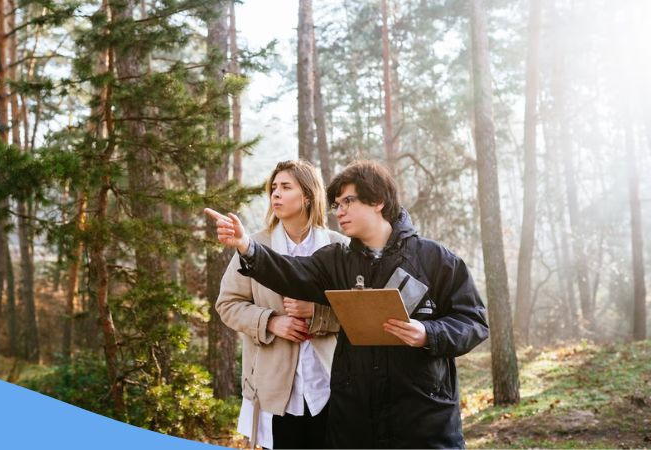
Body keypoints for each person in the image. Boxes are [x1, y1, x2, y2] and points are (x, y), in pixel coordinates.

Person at [205, 160, 489, 448]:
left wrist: (429, 333)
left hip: (423, 420)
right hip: (356, 424)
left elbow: (474, 321)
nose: (339, 211)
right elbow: (291, 272)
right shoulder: (336, 260)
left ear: (377, 201)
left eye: (348, 202)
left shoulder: (436, 260)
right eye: (337, 204)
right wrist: (247, 247)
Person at [215, 160, 349, 449]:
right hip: (274, 393)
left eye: (286, 187)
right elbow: (227, 304)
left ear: (308, 196)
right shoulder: (252, 247)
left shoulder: (339, 248)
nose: (276, 194)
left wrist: (317, 315)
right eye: (273, 188)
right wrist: (271, 322)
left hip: (330, 387)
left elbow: (358, 313)